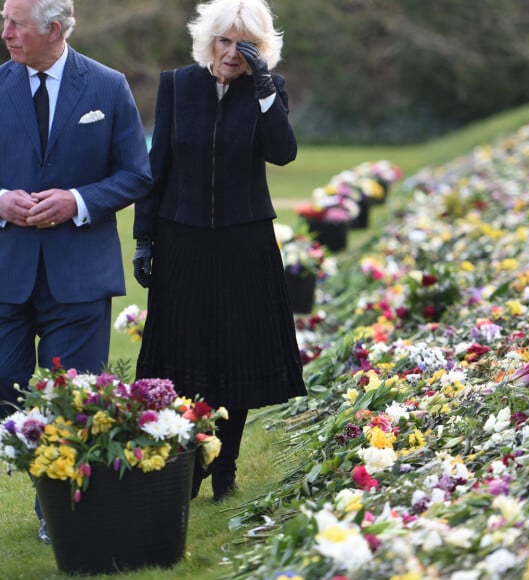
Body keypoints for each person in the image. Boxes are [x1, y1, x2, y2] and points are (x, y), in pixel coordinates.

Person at [132, 0, 307, 503]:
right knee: (184, 353)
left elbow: (283, 152)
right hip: (182, 236)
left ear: (261, 49)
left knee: (236, 352)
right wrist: (145, 238)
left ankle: (225, 463)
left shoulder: (266, 92)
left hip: (243, 240)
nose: (233, 53)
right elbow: (156, 165)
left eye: (245, 45)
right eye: (225, 41)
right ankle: (191, 461)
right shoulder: (177, 85)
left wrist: (265, 89)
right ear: (208, 40)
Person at [0, 0, 152, 541]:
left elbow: (137, 174)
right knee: (6, 390)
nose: (6, 33)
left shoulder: (108, 87)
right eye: (5, 20)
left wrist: (78, 201)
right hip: (6, 272)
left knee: (75, 402)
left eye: (16, 24)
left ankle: (61, 516)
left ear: (55, 30)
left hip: (80, 275)